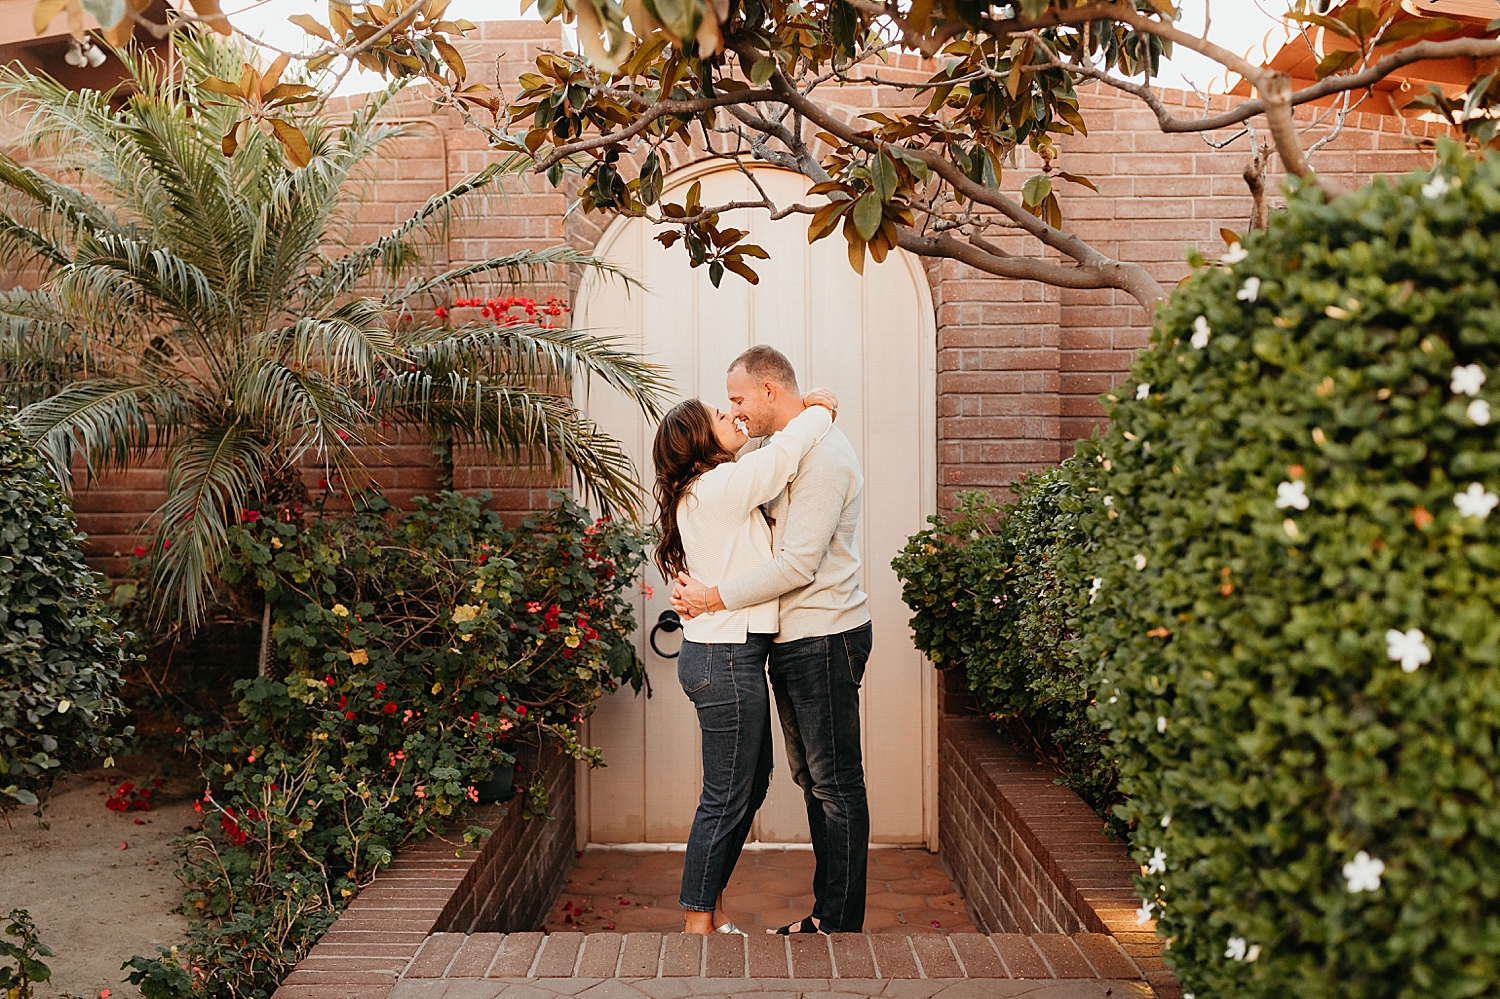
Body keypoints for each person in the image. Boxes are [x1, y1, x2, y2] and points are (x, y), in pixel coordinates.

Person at [672, 344, 872, 935]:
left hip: (823, 635)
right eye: (723, 406)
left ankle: (836, 924)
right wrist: (816, 409)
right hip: (786, 641)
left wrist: (714, 597)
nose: (734, 411)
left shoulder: (822, 455)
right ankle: (813, 917)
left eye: (737, 398)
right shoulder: (763, 458)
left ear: (767, 391)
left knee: (833, 784)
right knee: (808, 781)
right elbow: (775, 455)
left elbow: (797, 566)